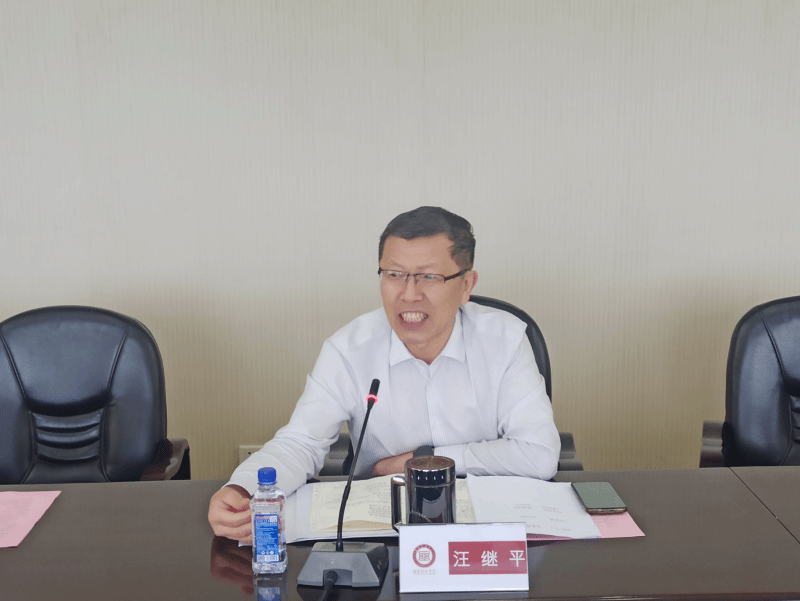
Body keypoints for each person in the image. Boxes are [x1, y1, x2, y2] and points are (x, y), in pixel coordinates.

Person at [208, 206, 560, 542]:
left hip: (485, 524)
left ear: (466, 284)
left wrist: (420, 460)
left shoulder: (505, 341)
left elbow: (539, 453)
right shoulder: (349, 350)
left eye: (429, 276)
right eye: (394, 275)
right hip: (381, 528)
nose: (409, 294)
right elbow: (300, 443)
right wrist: (242, 489)